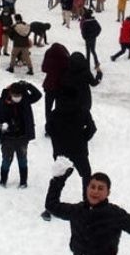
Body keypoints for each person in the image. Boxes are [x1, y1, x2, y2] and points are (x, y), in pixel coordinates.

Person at [40, 86, 97, 221]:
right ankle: (88, 205)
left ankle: (50, 207)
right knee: (86, 176)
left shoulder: (55, 113)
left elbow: (49, 128)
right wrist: (83, 138)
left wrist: (58, 140)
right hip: (79, 150)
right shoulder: (83, 111)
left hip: (61, 151)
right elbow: (92, 129)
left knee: (59, 178)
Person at [0, 80, 42, 188]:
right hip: (8, 137)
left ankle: (23, 182)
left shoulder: (25, 99)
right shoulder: (3, 101)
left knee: (22, 159)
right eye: (15, 95)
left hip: (23, 137)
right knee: (6, 159)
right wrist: (0, 125)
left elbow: (38, 95)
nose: (17, 97)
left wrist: (28, 86)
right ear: (10, 93)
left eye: (19, 95)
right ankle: (3, 180)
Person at [41, 42, 70, 126]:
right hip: (61, 86)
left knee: (48, 108)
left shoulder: (49, 54)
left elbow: (44, 69)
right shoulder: (65, 57)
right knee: (59, 108)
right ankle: (58, 125)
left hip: (49, 85)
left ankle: (49, 125)